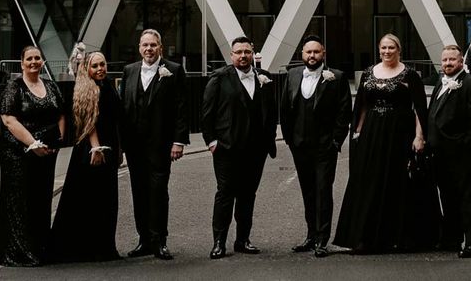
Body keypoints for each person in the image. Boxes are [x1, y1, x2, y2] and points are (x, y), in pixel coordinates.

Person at [333, 33, 439, 253]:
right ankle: (367, 238)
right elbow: (361, 105)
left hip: (400, 134)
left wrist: (419, 137)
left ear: (399, 50)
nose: (387, 52)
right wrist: (357, 132)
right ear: (379, 50)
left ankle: (399, 237)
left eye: (391, 48)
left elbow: (420, 109)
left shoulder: (410, 75)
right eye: (383, 48)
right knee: (369, 181)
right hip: (372, 134)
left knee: (398, 182)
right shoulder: (368, 73)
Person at [202, 36, 277, 259]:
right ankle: (219, 242)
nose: (243, 56)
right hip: (227, 149)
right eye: (238, 52)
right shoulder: (219, 78)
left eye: (247, 51)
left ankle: (243, 240)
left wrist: (268, 139)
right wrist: (212, 141)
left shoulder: (264, 78)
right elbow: (207, 113)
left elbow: (270, 111)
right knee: (225, 194)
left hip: (256, 150)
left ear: (252, 53)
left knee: (247, 195)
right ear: (231, 55)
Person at [120, 29, 189, 260]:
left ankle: (160, 240)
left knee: (158, 192)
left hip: (161, 144)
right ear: (139, 47)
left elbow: (181, 107)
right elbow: (124, 109)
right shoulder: (129, 71)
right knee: (138, 192)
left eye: (153, 45)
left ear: (160, 47)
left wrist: (178, 141)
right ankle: (144, 241)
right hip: (134, 145)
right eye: (144, 45)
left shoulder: (174, 70)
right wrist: (120, 144)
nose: (148, 49)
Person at [281, 35, 352, 257]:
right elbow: (285, 107)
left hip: (324, 147)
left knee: (323, 191)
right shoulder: (292, 75)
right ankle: (311, 236)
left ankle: (322, 239)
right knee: (308, 192)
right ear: (302, 54)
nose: (312, 56)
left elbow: (344, 112)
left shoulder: (337, 78)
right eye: (308, 52)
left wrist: (335, 142)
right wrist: (289, 139)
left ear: (324, 54)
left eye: (316, 52)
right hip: (299, 145)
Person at [49, 52, 121, 263]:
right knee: (89, 199)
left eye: (103, 64)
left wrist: (118, 150)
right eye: (95, 66)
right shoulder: (87, 88)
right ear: (87, 69)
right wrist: (96, 149)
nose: (100, 68)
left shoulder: (107, 86)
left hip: (108, 147)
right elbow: (89, 123)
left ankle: (102, 247)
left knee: (105, 200)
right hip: (92, 150)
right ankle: (84, 249)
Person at [0, 46, 65, 266]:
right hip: (18, 154)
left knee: (41, 198)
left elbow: (60, 113)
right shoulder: (13, 87)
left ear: (43, 62)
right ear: (22, 63)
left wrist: (58, 141)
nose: (34, 62)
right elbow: (9, 120)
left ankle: (40, 248)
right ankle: (20, 252)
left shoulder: (51, 85)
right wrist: (33, 143)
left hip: (45, 154)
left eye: (38, 58)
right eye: (30, 58)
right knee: (21, 200)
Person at [427, 45, 471, 258]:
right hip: (440, 153)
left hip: (461, 153)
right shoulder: (440, 82)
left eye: (452, 60)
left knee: (468, 199)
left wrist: (463, 145)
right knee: (447, 197)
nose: (447, 64)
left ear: (461, 61)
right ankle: (452, 238)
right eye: (444, 60)